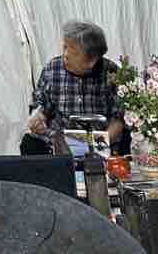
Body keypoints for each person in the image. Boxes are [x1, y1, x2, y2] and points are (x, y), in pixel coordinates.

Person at [22, 20, 126, 156]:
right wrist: (38, 118)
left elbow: (119, 119)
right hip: (58, 142)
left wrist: (94, 146)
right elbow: (40, 104)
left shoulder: (111, 73)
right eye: (65, 47)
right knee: (29, 143)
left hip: (100, 142)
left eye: (74, 52)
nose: (66, 55)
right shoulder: (52, 69)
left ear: (92, 60)